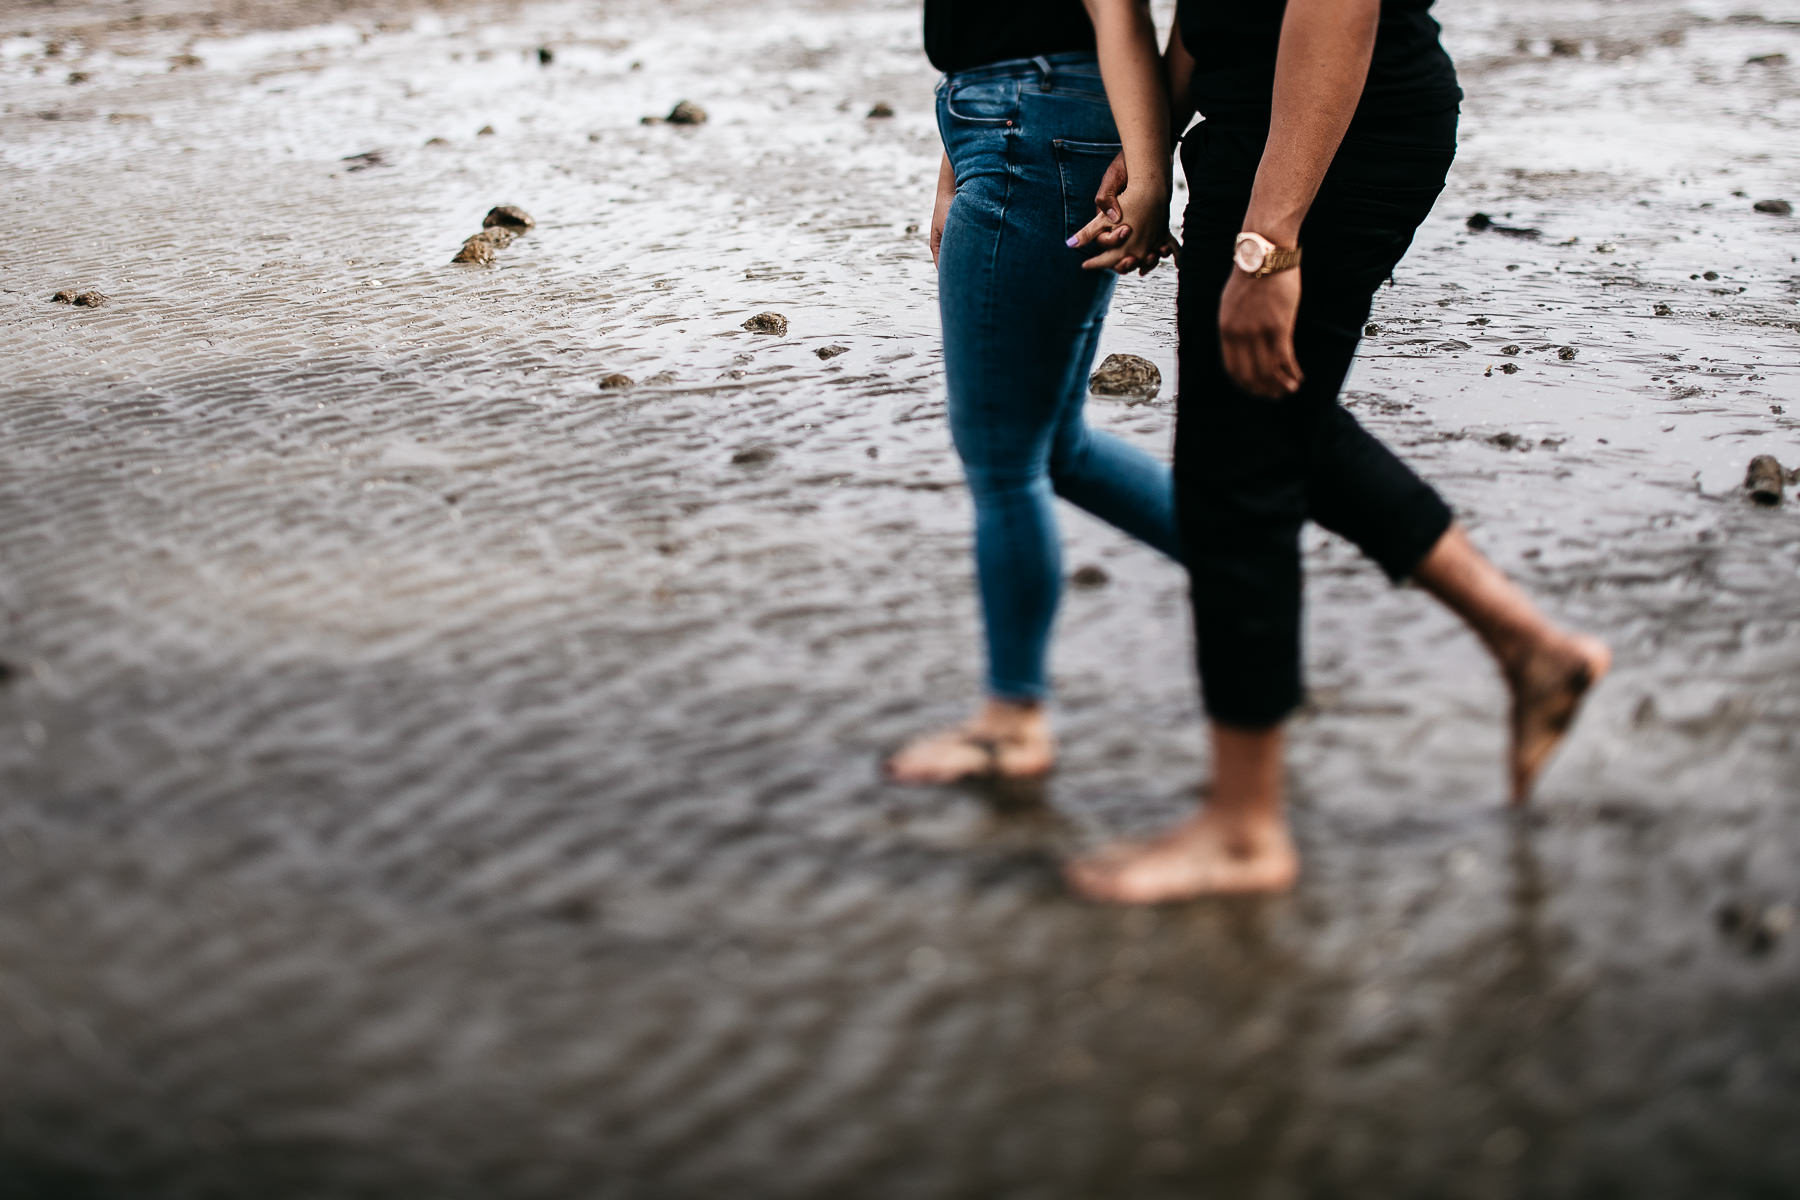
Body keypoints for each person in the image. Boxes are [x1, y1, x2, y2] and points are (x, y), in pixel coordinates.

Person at [1063, 0, 1612, 900]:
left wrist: (1268, 244)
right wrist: (1153, 141)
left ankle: (1244, 833)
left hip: (1330, 138)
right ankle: (1533, 650)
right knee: (1274, 419)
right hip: (1259, 128)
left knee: (1233, 470)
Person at [884, 0, 1183, 785]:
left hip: (1026, 124)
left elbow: (1115, 10)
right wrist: (953, 167)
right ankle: (1248, 564)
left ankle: (1012, 724)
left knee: (1003, 454)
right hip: (1006, 120)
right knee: (1054, 446)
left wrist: (1152, 176)